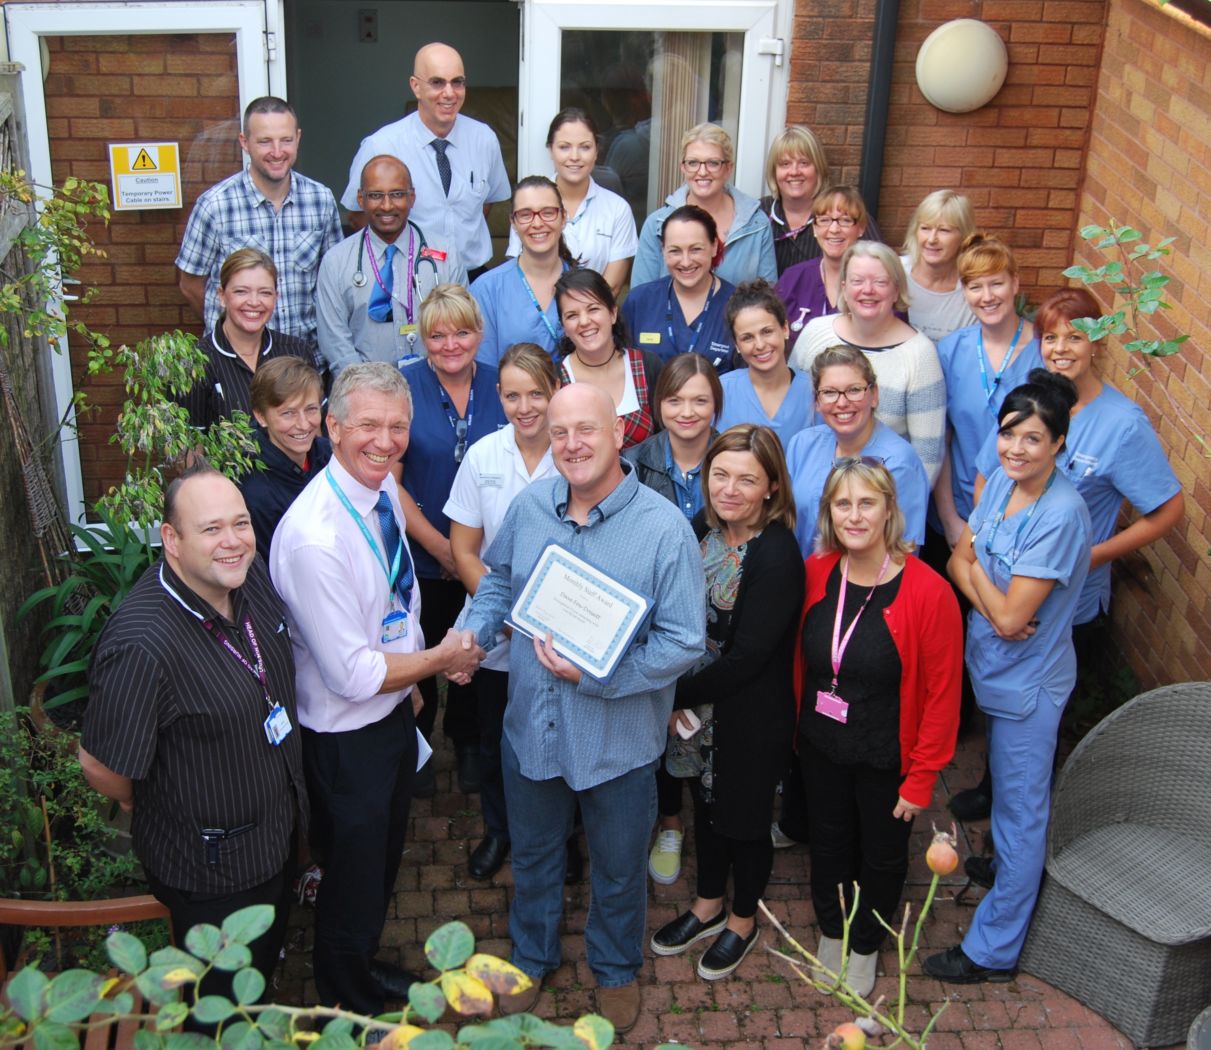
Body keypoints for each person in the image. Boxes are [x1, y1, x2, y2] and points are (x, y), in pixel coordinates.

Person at [460, 383, 705, 1032]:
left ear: (619, 433)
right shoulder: (531, 505)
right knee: (535, 858)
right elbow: (498, 585)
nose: (571, 444)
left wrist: (603, 675)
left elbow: (683, 641)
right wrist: (472, 635)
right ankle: (532, 958)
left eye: (585, 431)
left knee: (619, 870)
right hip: (531, 734)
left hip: (616, 743)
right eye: (559, 432)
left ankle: (615, 968)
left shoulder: (663, 531)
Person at [270, 362, 486, 1019]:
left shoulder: (381, 491)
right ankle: (344, 995)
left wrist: (415, 682)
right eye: (367, 425)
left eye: (397, 426)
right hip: (345, 735)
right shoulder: (315, 537)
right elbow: (354, 675)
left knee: (384, 857)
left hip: (392, 712)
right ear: (331, 427)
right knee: (353, 874)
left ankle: (359, 963)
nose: (384, 440)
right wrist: (436, 659)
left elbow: (401, 596)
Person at [80, 462, 307, 1015]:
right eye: (210, 529)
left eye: (241, 523)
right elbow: (100, 765)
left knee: (259, 972)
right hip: (213, 873)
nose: (232, 542)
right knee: (219, 1009)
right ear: (171, 540)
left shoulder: (244, 575)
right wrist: (138, 795)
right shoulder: (143, 645)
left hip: (276, 838)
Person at [951, 290, 1184, 827]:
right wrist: (983, 542)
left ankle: (1029, 822)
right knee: (1002, 705)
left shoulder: (1121, 424)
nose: (1060, 348)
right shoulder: (1030, 403)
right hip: (999, 583)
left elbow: (1167, 510)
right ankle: (994, 788)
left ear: (1097, 343)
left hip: (1067, 606)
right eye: (1050, 336)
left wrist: (1090, 556)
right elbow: (990, 473)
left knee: (1039, 727)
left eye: (1075, 336)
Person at [924, 370, 1092, 984]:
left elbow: (1012, 613)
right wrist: (994, 603)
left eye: (1033, 439)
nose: (1016, 449)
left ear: (1059, 445)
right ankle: (1008, 876)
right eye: (1008, 434)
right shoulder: (1000, 484)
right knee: (1010, 810)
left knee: (1022, 818)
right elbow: (956, 560)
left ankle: (992, 950)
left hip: (1029, 688)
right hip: (995, 669)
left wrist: (993, 602)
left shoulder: (1062, 514)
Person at [797, 458, 961, 996]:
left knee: (883, 855)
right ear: (829, 512)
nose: (855, 515)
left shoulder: (929, 593)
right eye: (843, 504)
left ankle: (865, 941)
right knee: (828, 843)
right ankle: (831, 930)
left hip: (887, 758)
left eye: (867, 502)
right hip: (822, 747)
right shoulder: (817, 572)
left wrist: (920, 780)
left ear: (890, 509)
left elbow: (941, 697)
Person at [650, 425, 805, 980]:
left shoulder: (777, 554)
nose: (730, 489)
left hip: (746, 715)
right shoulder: (703, 530)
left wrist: (666, 690)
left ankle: (743, 920)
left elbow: (747, 660)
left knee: (743, 820)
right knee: (707, 813)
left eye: (747, 479)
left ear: (770, 487)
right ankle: (708, 904)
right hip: (697, 714)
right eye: (720, 475)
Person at [443, 343, 562, 881]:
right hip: (494, 632)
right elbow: (464, 550)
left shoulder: (575, 455)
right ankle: (500, 830)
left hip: (560, 638)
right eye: (513, 395)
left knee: (559, 743)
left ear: (556, 389)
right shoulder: (483, 456)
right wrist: (504, 616)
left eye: (536, 392)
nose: (525, 406)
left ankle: (562, 839)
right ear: (499, 396)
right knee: (496, 742)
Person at [396, 285, 508, 797]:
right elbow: (389, 481)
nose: (450, 344)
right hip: (421, 554)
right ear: (423, 339)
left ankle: (467, 744)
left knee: (474, 652)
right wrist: (443, 548)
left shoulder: (501, 385)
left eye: (461, 332)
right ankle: (416, 748)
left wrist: (465, 554)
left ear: (479, 334)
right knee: (420, 651)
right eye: (437, 335)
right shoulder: (404, 385)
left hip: (488, 558)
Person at [623, 354, 723, 885]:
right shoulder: (634, 462)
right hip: (653, 618)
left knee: (707, 722)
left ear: (716, 405)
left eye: (700, 400)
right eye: (675, 399)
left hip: (718, 616)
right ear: (657, 405)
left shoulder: (734, 455)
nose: (687, 411)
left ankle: (712, 820)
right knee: (659, 720)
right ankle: (668, 823)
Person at [177, 97, 341, 355]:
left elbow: (333, 282)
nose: (277, 151)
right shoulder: (215, 206)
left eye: (285, 140)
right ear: (245, 142)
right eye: (265, 141)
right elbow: (191, 285)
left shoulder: (321, 201)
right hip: (237, 364)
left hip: (303, 362)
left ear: (297, 138)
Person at [341, 43, 510, 277]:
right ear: (416, 86)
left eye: (457, 82)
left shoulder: (484, 139)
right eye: (437, 82)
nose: (449, 93)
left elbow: (486, 202)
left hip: (472, 276)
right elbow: (357, 216)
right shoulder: (381, 146)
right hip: (408, 277)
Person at [790, 241, 946, 486]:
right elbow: (796, 414)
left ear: (896, 290)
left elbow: (927, 458)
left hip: (882, 500)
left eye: (880, 282)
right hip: (811, 490)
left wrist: (886, 512)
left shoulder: (919, 355)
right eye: (857, 281)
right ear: (844, 287)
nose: (868, 290)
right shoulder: (815, 334)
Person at [932, 234, 1041, 553]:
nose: (987, 296)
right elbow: (942, 441)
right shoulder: (952, 350)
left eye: (997, 284)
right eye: (975, 286)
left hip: (1023, 519)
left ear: (1015, 284)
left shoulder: (1045, 352)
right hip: (959, 514)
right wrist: (949, 517)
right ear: (964, 292)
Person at [317, 156, 466, 376]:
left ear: (412, 197)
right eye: (376, 195)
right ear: (361, 199)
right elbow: (335, 343)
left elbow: (461, 329)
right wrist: (368, 392)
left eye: (397, 194)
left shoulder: (446, 255)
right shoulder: (336, 262)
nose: (387, 206)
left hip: (437, 386)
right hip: (365, 395)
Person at [785, 345, 929, 556]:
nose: (842, 403)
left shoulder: (899, 462)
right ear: (817, 400)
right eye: (829, 392)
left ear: (874, 395)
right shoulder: (802, 445)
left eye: (854, 390)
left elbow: (902, 552)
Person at [506, 109, 637, 297]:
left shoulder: (617, 209)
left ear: (596, 151)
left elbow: (612, 286)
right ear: (550, 150)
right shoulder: (527, 204)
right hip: (535, 316)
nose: (574, 156)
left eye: (585, 147)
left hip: (592, 319)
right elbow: (517, 275)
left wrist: (577, 315)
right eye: (564, 147)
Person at [181, 248, 313, 429]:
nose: (254, 301)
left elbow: (316, 430)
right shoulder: (194, 363)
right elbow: (188, 450)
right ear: (221, 296)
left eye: (265, 292)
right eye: (241, 291)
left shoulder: (297, 351)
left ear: (276, 297)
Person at [632, 123, 777, 287]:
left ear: (728, 168)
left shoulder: (756, 224)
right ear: (683, 167)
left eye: (713, 163)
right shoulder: (657, 224)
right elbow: (641, 296)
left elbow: (768, 297)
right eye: (693, 162)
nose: (702, 172)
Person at [555, 268, 664, 449]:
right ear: (564, 326)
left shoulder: (647, 366)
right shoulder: (555, 378)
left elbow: (667, 440)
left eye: (593, 309)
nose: (584, 321)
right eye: (572, 315)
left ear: (613, 313)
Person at [472, 177, 576, 366]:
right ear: (513, 222)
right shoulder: (486, 290)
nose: (537, 223)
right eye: (526, 214)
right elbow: (484, 371)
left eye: (548, 212)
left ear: (563, 217)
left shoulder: (585, 285)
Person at [620, 205, 736, 371]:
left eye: (696, 249)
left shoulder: (736, 305)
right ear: (663, 251)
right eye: (675, 251)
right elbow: (619, 366)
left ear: (714, 246)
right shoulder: (640, 301)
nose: (686, 261)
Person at [760, 128, 887, 277]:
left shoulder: (847, 213)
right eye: (785, 164)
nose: (794, 171)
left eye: (804, 163)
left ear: (818, 168)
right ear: (774, 171)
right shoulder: (758, 214)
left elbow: (883, 270)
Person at [240, 356, 331, 558]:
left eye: (311, 409)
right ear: (261, 417)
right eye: (288, 413)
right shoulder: (254, 489)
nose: (303, 424)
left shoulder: (330, 457)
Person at [716, 279, 816, 439]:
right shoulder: (721, 391)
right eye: (747, 337)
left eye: (767, 331)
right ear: (736, 344)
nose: (760, 344)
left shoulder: (814, 392)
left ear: (785, 329)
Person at [775, 186, 870, 336]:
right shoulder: (793, 279)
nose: (833, 229)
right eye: (824, 220)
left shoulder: (877, 282)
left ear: (861, 228)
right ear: (814, 228)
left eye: (845, 220)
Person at [899, 190, 978, 343]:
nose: (932, 239)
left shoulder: (974, 289)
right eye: (925, 228)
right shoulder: (893, 272)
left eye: (944, 230)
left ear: (965, 236)